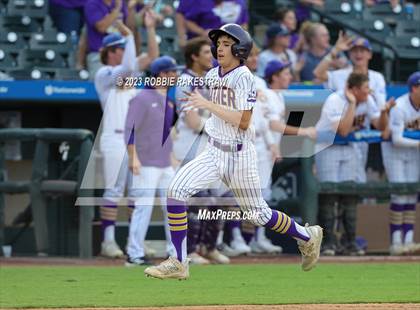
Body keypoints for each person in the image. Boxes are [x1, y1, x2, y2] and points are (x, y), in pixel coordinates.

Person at [144, 23, 323, 280]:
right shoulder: (212, 75)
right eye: (218, 43)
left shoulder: (245, 77)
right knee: (175, 192)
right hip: (214, 151)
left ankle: (307, 235)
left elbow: (243, 120)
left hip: (239, 156)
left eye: (227, 44)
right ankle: (179, 261)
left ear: (239, 49)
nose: (219, 48)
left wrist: (206, 104)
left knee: (258, 213)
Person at [94, 14, 158, 258]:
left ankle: (135, 242)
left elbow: (152, 57)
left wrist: (149, 29)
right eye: (120, 48)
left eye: (124, 48)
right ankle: (108, 242)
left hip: (136, 140)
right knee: (114, 190)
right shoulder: (104, 74)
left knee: (137, 192)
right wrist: (129, 35)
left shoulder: (128, 74)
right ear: (111, 51)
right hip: (114, 138)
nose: (123, 52)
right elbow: (130, 67)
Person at [314, 73, 388, 256]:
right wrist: (353, 104)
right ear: (353, 89)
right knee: (329, 195)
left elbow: (380, 126)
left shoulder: (368, 99)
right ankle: (328, 243)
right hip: (328, 148)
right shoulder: (335, 100)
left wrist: (385, 111)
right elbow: (344, 130)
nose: (368, 91)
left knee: (349, 194)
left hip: (349, 149)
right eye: (365, 88)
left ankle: (349, 241)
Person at [173, 37, 230, 264]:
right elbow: (192, 121)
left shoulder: (211, 80)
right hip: (190, 144)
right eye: (207, 52)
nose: (212, 56)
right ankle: (191, 250)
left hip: (210, 146)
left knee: (217, 200)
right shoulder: (185, 81)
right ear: (194, 56)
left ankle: (209, 246)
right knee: (197, 201)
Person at [313, 35, 394, 184]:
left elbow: (379, 112)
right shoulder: (340, 76)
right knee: (331, 189)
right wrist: (335, 51)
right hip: (335, 135)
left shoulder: (376, 78)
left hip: (360, 132)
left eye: (363, 50)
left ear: (369, 54)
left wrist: (384, 114)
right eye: (355, 50)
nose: (359, 54)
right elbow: (318, 73)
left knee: (355, 183)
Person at [124, 56, 179, 266]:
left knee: (173, 207)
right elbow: (130, 129)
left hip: (164, 162)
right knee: (143, 208)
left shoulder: (168, 100)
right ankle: (134, 253)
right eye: (172, 72)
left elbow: (165, 133)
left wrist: (172, 156)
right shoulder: (142, 97)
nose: (175, 76)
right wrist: (133, 157)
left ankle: (175, 252)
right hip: (145, 161)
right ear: (162, 74)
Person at [382, 72, 420, 255]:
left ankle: (408, 240)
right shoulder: (400, 106)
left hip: (413, 153)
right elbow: (396, 139)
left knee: (411, 194)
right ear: (414, 88)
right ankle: (396, 242)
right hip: (394, 153)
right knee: (399, 195)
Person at [85, 0, 136, 78]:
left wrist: (131, 8)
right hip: (99, 56)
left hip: (120, 54)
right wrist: (117, 9)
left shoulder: (120, 2)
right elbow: (101, 27)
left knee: (127, 86)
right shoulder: (93, 3)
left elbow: (130, 27)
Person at [183, 0, 249, 40]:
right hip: (207, 46)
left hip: (232, 45)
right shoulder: (200, 2)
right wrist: (203, 33)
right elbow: (188, 21)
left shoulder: (240, 2)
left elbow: (244, 22)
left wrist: (240, 35)